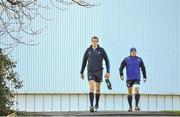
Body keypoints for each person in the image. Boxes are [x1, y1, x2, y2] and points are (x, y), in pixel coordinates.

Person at [80, 36, 110, 112]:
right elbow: (84, 61)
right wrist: (81, 72)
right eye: (93, 41)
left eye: (96, 41)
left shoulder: (101, 50)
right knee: (91, 85)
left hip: (99, 71)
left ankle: (96, 104)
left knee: (97, 88)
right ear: (91, 42)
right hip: (90, 71)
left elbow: (107, 61)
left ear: (98, 42)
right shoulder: (88, 50)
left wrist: (108, 71)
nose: (94, 42)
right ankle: (91, 105)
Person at [119, 47, 147, 112]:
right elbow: (121, 67)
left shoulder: (139, 59)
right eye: (132, 51)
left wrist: (144, 76)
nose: (134, 52)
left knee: (137, 90)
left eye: (135, 51)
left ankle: (136, 106)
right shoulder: (126, 59)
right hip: (129, 78)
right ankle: (130, 107)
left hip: (137, 78)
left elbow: (143, 68)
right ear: (130, 52)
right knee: (129, 92)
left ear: (136, 52)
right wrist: (121, 75)